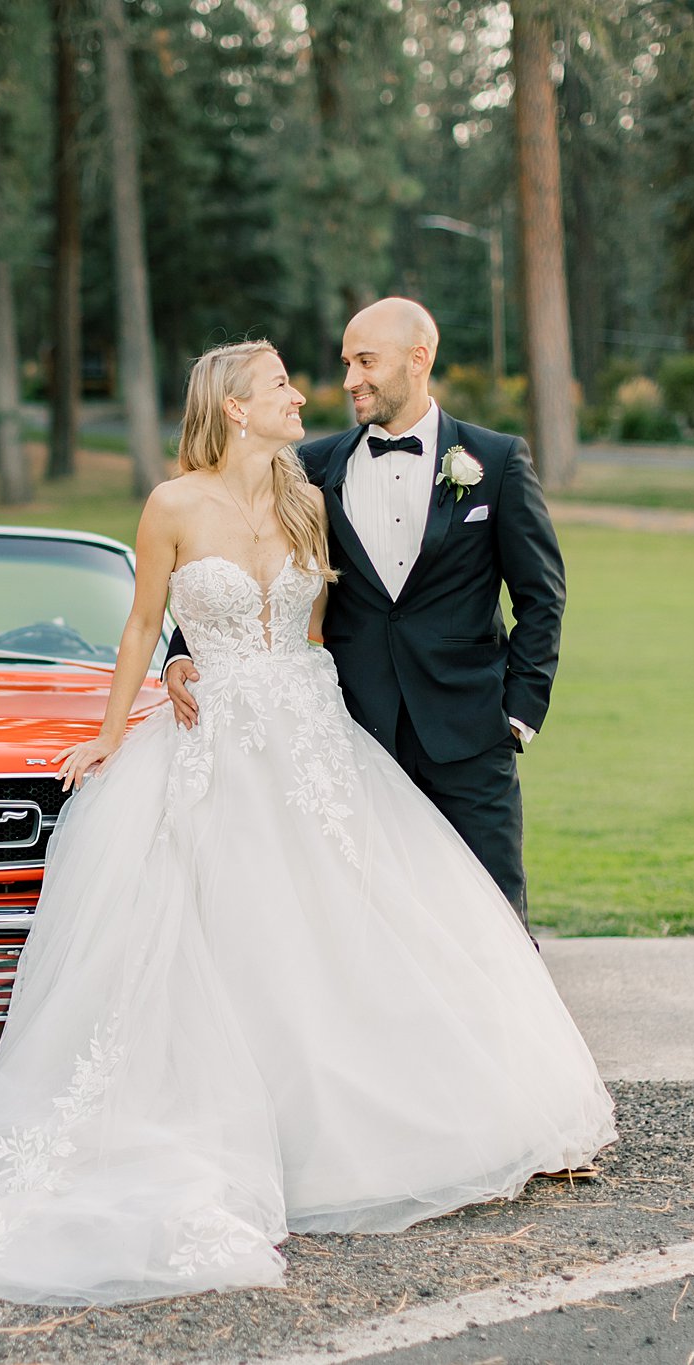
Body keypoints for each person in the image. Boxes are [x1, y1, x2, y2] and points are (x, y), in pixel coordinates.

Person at [0, 339, 615, 1307]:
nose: (303, 392)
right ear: (233, 405)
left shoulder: (307, 492)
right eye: (279, 384)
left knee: (344, 925)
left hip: (314, 737)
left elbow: (316, 628)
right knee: (228, 930)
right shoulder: (171, 504)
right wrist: (123, 723)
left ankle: (380, 1120)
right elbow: (146, 625)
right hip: (219, 736)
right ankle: (233, 1135)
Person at [166, 299, 560, 926]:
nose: (350, 379)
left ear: (418, 359)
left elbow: (541, 597)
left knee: (496, 921)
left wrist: (518, 715)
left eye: (366, 362)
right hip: (352, 732)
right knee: (372, 925)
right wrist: (182, 650)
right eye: (347, 362)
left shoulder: (498, 462)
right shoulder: (312, 467)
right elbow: (235, 557)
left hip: (470, 735)